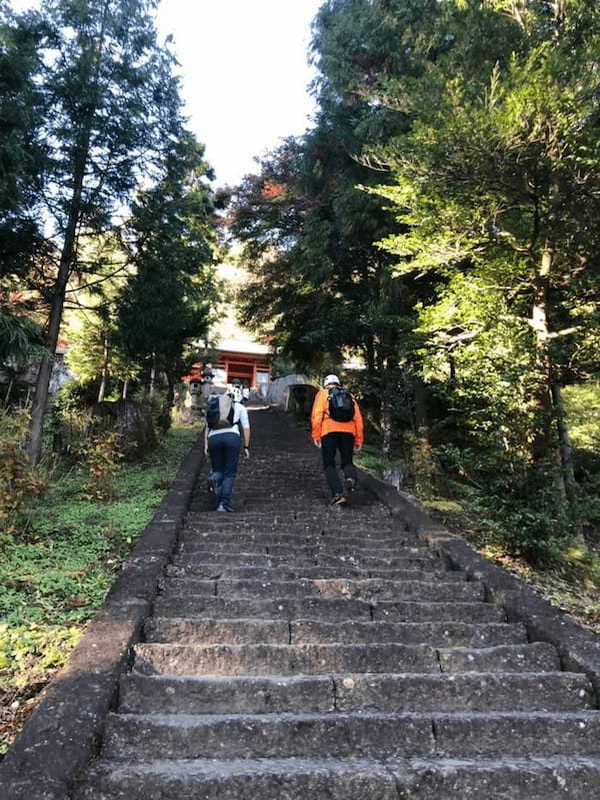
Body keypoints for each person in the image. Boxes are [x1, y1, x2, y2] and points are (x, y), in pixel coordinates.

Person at [310, 374, 364, 506]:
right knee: (347, 461)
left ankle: (338, 494)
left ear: (325, 384)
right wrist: (359, 440)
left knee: (329, 464)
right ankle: (350, 477)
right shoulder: (349, 395)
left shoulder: (322, 394)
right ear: (338, 383)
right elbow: (358, 419)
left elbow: (316, 416)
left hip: (329, 431)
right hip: (349, 431)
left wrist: (316, 436)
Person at [204, 391, 250, 512]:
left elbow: (207, 426)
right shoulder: (240, 407)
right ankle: (223, 504)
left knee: (218, 469)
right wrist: (246, 446)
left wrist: (206, 445)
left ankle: (214, 478)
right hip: (232, 437)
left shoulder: (215, 407)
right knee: (229, 473)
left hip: (213, 438)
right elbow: (246, 428)